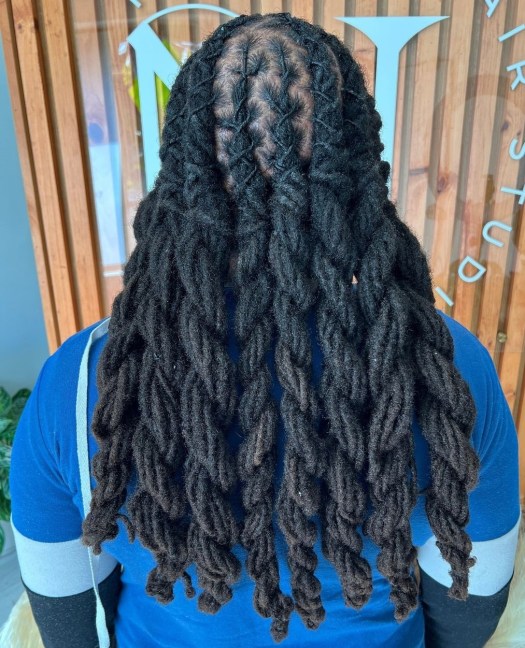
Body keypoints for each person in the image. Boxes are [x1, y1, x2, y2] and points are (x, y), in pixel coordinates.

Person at [9, 11, 521, 648]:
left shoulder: (80, 383)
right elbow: (470, 609)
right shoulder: (451, 372)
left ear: (181, 171)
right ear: (358, 169)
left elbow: (68, 619)